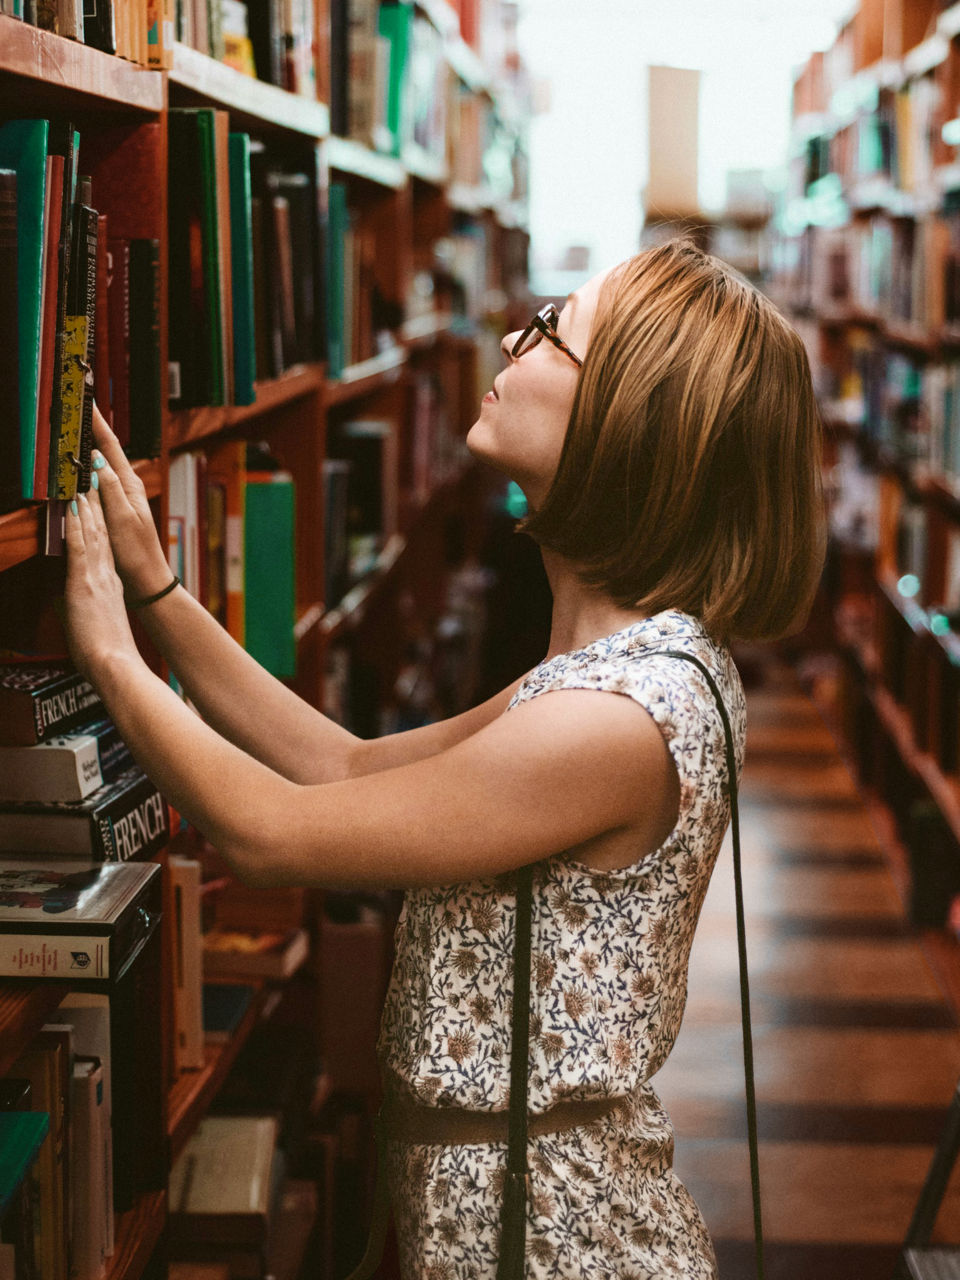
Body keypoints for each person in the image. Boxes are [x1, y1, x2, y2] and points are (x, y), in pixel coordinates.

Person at [63, 237, 825, 1278]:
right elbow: (342, 767)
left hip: (561, 1243)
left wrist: (109, 651)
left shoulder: (619, 715)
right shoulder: (615, 667)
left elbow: (270, 833)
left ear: (627, 421)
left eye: (554, 328)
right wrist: (158, 596)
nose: (514, 335)